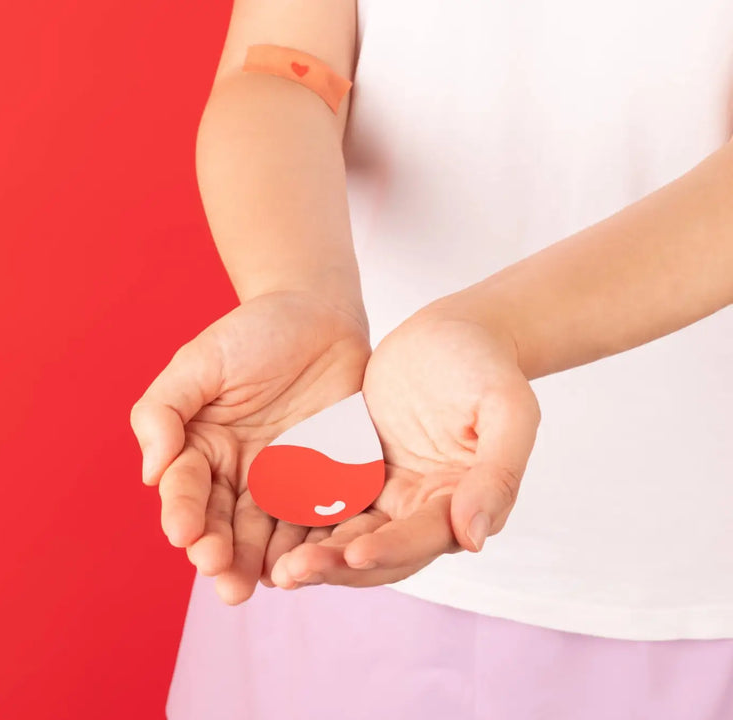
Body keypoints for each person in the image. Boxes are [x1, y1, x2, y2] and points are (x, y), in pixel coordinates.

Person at [130, 1, 733, 717]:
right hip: (335, 521)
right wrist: (299, 290)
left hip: (683, 581)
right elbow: (283, 65)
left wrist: (500, 328)